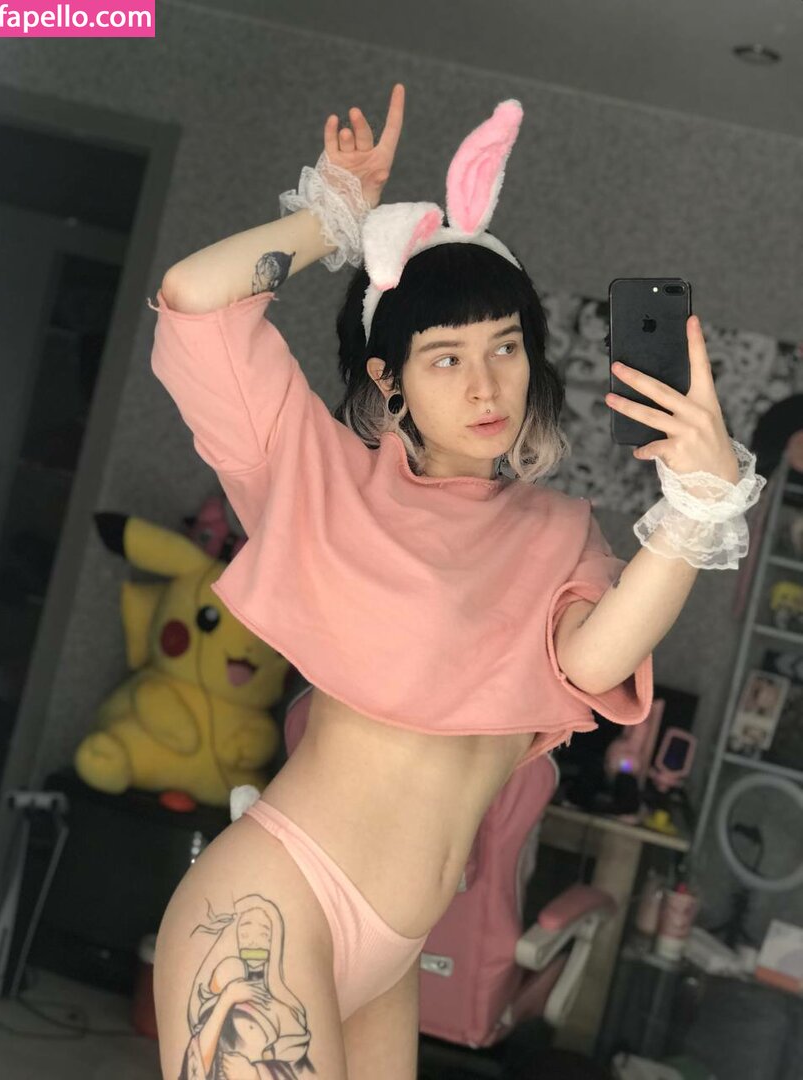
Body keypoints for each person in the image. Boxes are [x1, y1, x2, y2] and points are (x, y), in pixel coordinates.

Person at [148, 84, 764, 1080]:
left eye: (505, 347)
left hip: (393, 953)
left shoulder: (555, 530)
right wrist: (330, 218)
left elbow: (592, 661)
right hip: (277, 902)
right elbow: (194, 300)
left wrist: (699, 504)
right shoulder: (320, 477)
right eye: (444, 359)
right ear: (388, 379)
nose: (485, 385)